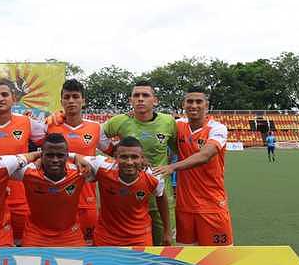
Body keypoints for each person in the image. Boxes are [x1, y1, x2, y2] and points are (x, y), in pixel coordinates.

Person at [0, 79, 46, 244]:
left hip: (22, 198)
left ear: (13, 98)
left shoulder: (27, 123)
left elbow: (51, 141)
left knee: (20, 245)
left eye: (5, 95)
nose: (0, 99)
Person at [102, 80, 176, 245]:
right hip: (129, 198)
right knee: (132, 248)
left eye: (145, 95)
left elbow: (177, 149)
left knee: (164, 249)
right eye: (136, 95)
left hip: (160, 197)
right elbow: (97, 135)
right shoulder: (120, 121)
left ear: (155, 100)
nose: (140, 99)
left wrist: (168, 167)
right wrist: (115, 152)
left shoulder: (168, 122)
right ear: (130, 101)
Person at [157, 87, 233, 246]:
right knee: (188, 258)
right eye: (190, 101)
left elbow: (205, 156)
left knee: (220, 258)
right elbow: (154, 123)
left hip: (211, 205)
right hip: (184, 207)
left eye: (199, 102)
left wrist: (172, 167)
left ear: (206, 105)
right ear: (183, 104)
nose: (194, 105)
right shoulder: (177, 126)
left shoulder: (217, 128)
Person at [44, 79, 111, 243]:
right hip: (56, 199)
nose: (71, 101)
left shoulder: (96, 127)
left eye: (75, 96)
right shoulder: (49, 125)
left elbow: (114, 151)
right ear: (61, 101)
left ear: (83, 100)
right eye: (67, 97)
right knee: (57, 246)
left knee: (87, 249)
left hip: (86, 199)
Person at [77, 136, 171, 247]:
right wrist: (75, 156)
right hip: (106, 237)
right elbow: (62, 155)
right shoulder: (102, 166)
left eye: (134, 157)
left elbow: (161, 198)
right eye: (124, 157)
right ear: (115, 157)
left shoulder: (154, 177)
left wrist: (167, 231)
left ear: (142, 158)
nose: (129, 162)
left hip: (140, 237)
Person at [13, 133, 87, 247]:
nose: (55, 160)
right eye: (50, 155)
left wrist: (76, 156)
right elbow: (2, 165)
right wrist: (34, 155)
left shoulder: (79, 171)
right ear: (42, 155)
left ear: (67, 156)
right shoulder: (28, 172)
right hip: (36, 235)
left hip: (70, 234)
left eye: (60, 155)